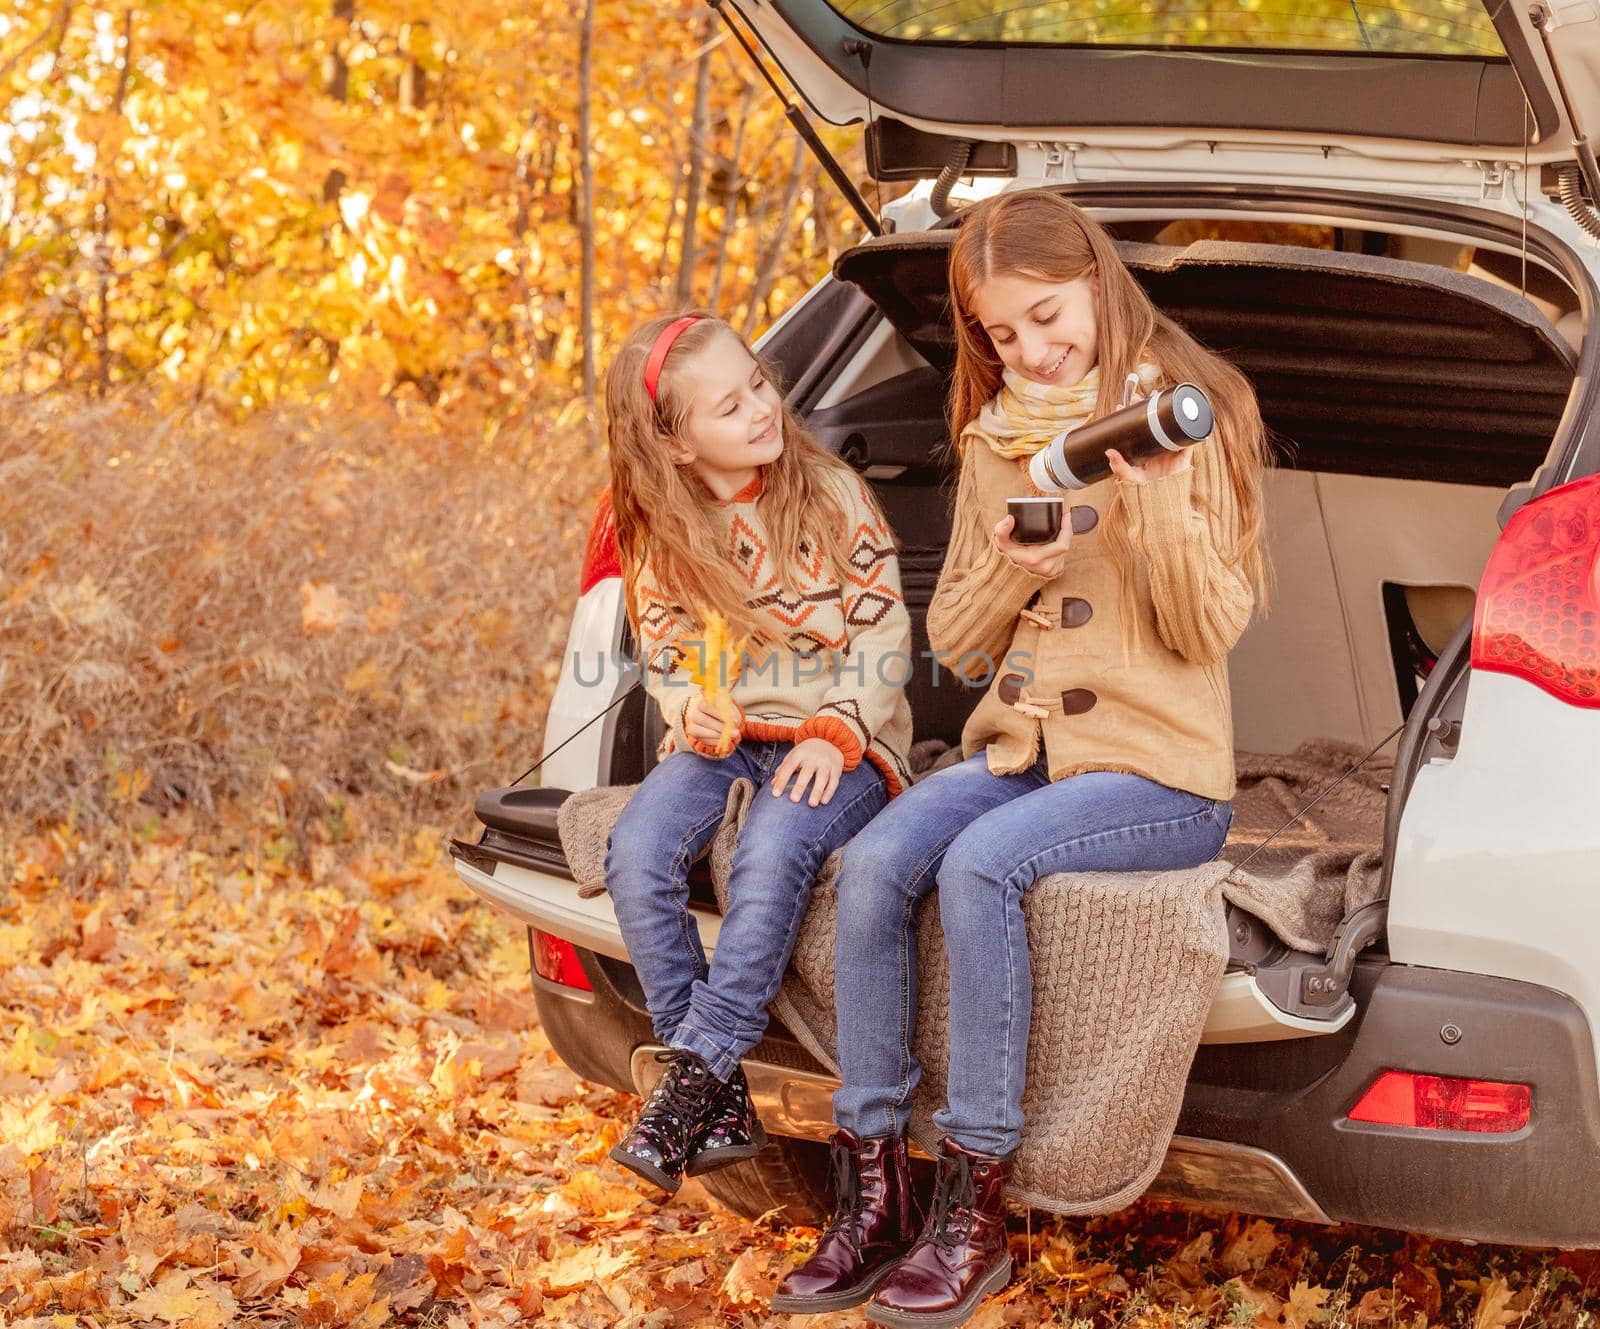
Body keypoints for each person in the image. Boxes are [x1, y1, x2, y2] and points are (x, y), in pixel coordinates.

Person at [774, 190, 1272, 1327]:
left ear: (1099, 281)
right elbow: (952, 636)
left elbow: (1210, 629)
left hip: (1158, 774)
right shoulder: (996, 438)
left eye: (1048, 319)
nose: (1030, 349)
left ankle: (973, 1206)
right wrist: (1014, 566)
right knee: (878, 856)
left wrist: (1146, 509)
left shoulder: (1192, 415)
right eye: (1002, 334)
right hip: (1023, 749)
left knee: (980, 867)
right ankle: (872, 1184)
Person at [600, 312, 915, 1198]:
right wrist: (689, 705)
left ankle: (690, 1072)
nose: (759, 410)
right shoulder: (663, 531)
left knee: (775, 847)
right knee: (636, 847)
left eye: (759, 386)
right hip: (736, 736)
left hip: (842, 737)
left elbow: (884, 627)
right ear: (676, 444)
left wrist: (843, 725)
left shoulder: (829, 492)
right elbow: (665, 651)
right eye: (728, 406)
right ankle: (721, 1097)